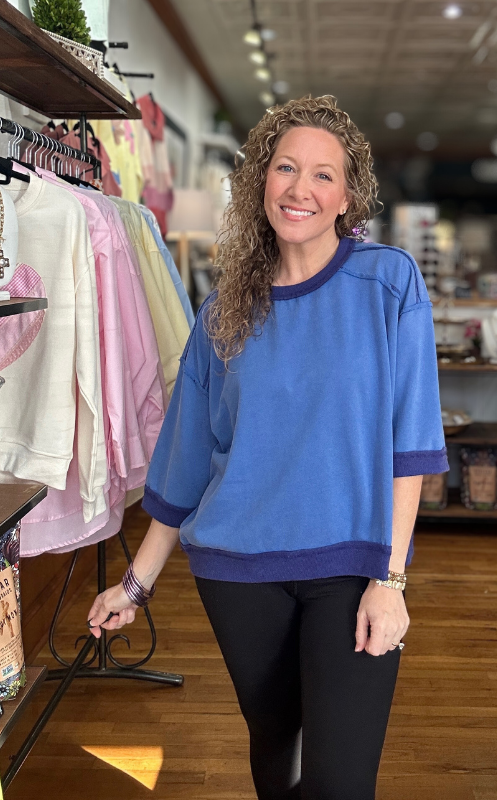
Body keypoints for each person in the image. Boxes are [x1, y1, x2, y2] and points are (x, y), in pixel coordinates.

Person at [88, 95, 449, 800]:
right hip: (238, 570)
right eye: (285, 168)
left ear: (349, 195)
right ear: (260, 180)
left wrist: (392, 579)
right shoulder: (223, 311)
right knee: (276, 754)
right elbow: (186, 461)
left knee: (339, 781)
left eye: (322, 175)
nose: (300, 189)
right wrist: (135, 584)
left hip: (354, 566)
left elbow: (412, 441)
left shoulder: (389, 282)